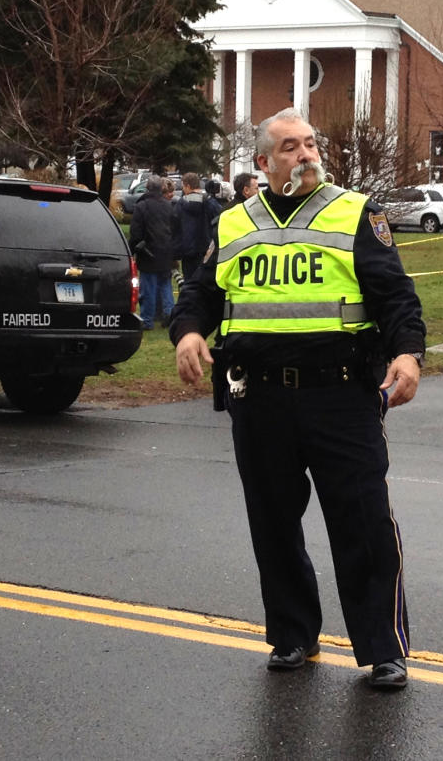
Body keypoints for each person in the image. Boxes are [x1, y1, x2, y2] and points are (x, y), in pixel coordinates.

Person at [170, 107, 425, 690]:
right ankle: (292, 635)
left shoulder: (356, 213)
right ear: (262, 162)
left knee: (362, 523)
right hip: (258, 399)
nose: (305, 154)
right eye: (290, 147)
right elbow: (200, 296)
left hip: (341, 395)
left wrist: (408, 353)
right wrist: (187, 332)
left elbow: (395, 297)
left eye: (310, 143)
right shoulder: (233, 224)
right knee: (273, 523)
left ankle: (382, 648)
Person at [128, 175, 175, 329]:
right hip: (166, 251)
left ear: (147, 188)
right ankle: (169, 315)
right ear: (161, 188)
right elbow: (175, 228)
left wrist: (133, 247)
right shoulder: (169, 206)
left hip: (148, 252)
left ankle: (147, 320)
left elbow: (135, 232)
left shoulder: (142, 206)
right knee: (165, 285)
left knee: (148, 288)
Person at [171, 172, 211, 282]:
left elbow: (175, 226)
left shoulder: (181, 204)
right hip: (206, 248)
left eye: (183, 186)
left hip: (187, 249)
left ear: (188, 186)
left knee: (189, 280)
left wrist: (175, 250)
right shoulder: (208, 202)